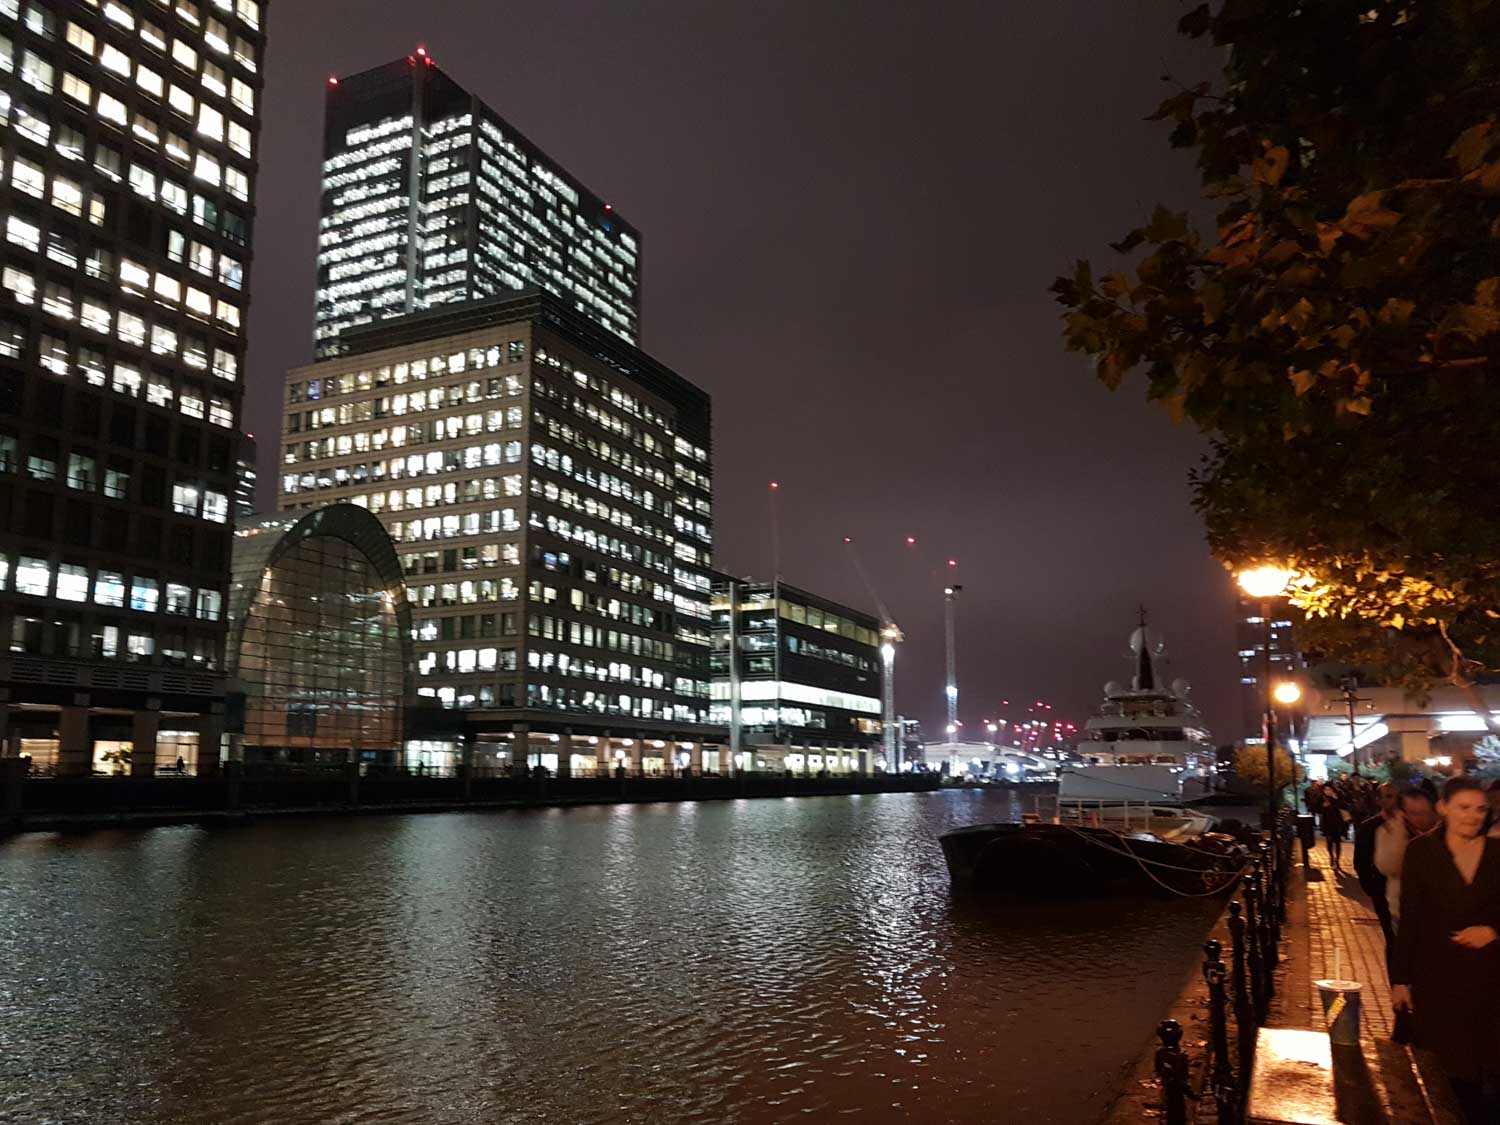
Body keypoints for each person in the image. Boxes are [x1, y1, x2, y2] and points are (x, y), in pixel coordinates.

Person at [1391, 777, 1500, 1123]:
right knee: (1446, 1073)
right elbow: (1409, 919)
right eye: (1463, 807)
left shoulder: (1498, 854)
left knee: (1490, 1071)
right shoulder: (1422, 852)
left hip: (1491, 977)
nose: (1473, 816)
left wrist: (1493, 930)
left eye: (1480, 809)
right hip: (1437, 974)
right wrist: (1400, 979)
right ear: (1444, 808)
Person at [1376, 787, 1439, 928]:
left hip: (1437, 910)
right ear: (1403, 813)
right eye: (1413, 813)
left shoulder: (1441, 834)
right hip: (1402, 908)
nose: (1420, 818)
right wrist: (1400, 832)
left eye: (1424, 813)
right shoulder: (1388, 831)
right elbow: (1388, 867)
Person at [1354, 783, 1400, 959]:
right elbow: (1361, 861)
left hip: (1406, 891)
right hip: (1382, 890)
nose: (1392, 801)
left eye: (1395, 796)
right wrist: (1372, 888)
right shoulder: (1369, 828)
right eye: (1387, 796)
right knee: (1392, 937)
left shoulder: (1409, 825)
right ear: (1379, 800)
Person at [1319, 783, 1348, 874]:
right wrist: (1323, 806)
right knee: (1329, 842)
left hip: (1337, 823)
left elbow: (1344, 806)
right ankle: (1331, 856)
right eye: (1326, 790)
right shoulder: (1322, 798)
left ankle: (1337, 860)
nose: (1327, 791)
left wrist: (1336, 800)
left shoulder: (1337, 797)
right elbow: (1316, 808)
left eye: (1329, 790)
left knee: (1338, 842)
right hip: (1327, 824)